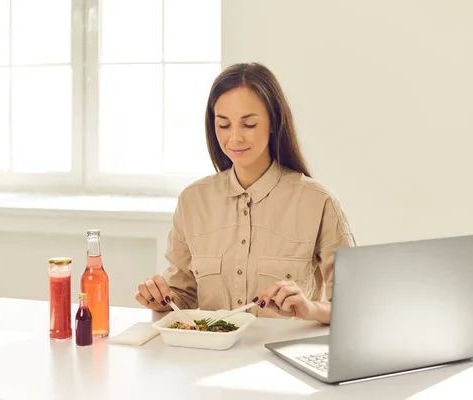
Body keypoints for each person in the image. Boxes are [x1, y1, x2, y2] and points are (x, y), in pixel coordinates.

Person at [135, 62, 356, 324]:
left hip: (280, 359)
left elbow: (353, 307)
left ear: (274, 122)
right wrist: (159, 298)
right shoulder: (192, 201)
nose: (235, 138)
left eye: (248, 124)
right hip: (205, 361)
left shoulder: (318, 202)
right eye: (224, 125)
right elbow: (182, 297)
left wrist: (307, 308)